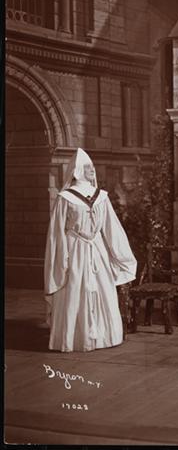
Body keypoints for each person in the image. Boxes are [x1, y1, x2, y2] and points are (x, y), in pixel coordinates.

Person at [44, 148, 137, 352]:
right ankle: (76, 338)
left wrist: (122, 255)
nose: (92, 170)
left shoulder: (101, 197)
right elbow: (56, 233)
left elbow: (112, 227)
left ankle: (103, 337)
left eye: (92, 167)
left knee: (102, 288)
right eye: (87, 167)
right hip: (74, 249)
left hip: (97, 250)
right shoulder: (65, 198)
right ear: (77, 170)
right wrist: (62, 258)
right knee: (74, 288)